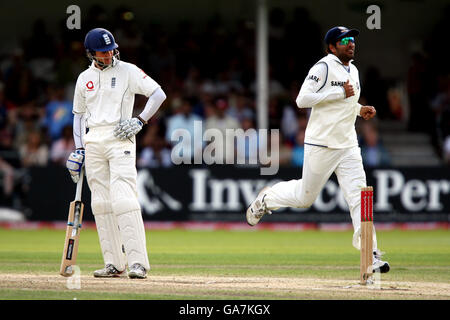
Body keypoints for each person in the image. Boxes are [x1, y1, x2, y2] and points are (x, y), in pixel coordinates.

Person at [246, 26, 390, 274]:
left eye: (352, 39)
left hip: (348, 145)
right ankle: (267, 198)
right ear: (332, 47)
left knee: (359, 198)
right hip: (321, 144)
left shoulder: (353, 70)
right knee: (305, 198)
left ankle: (371, 254)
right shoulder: (322, 67)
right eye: (344, 40)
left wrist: (359, 109)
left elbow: (346, 102)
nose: (351, 43)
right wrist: (337, 91)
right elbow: (303, 99)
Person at [66, 28, 166, 279]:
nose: (109, 54)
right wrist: (79, 149)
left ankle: (138, 263)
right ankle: (114, 263)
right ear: (91, 54)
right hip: (93, 141)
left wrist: (140, 120)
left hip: (120, 136)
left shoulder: (128, 71)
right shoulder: (83, 78)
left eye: (111, 49)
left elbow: (158, 94)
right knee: (101, 203)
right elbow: (78, 117)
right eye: (103, 51)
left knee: (124, 198)